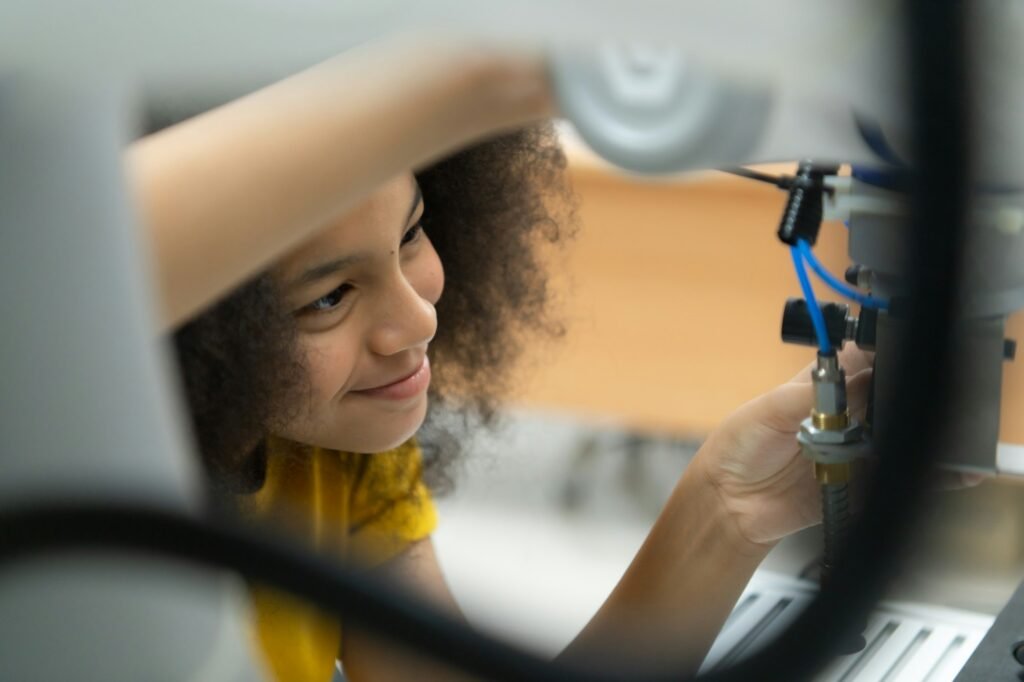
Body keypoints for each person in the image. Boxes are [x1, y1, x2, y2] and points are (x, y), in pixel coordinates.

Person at [132, 35, 880, 681]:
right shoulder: (108, 526)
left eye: (411, 235)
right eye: (328, 297)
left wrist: (727, 507)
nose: (418, 318)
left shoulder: (339, 455)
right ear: (204, 334)